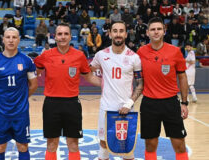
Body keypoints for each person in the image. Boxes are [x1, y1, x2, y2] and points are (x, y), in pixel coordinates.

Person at [34, 23, 101, 160]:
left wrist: (107, 85)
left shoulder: (79, 56)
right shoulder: (46, 55)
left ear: (71, 36)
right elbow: (36, 73)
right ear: (55, 37)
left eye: (66, 34)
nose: (63, 37)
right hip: (51, 104)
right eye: (60, 34)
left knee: (73, 144)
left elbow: (88, 76)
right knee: (52, 144)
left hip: (72, 104)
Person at [137, 17, 189, 160]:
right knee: (150, 144)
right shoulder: (140, 52)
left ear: (164, 31)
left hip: (171, 103)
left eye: (159, 29)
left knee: (179, 144)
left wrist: (184, 103)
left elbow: (182, 77)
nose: (156, 32)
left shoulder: (175, 51)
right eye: (153, 29)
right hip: (149, 104)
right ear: (147, 32)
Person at [90, 20, 143, 160]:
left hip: (126, 109)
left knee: (126, 145)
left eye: (121, 31)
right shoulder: (101, 55)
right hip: (106, 108)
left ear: (126, 34)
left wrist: (128, 104)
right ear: (109, 34)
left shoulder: (134, 57)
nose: (118, 34)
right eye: (115, 31)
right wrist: (102, 83)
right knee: (103, 143)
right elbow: (87, 72)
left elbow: (140, 84)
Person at [0, 27, 38, 160]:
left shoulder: (27, 61)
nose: (11, 40)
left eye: (14, 37)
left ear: (19, 40)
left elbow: (33, 85)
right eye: (8, 37)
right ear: (3, 39)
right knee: (0, 147)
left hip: (21, 113)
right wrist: (0, 98)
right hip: (1, 113)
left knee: (22, 146)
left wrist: (22, 98)